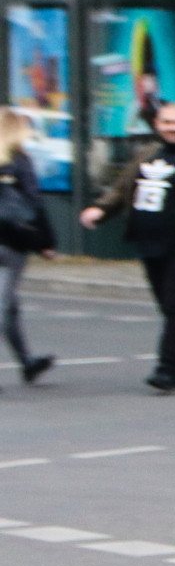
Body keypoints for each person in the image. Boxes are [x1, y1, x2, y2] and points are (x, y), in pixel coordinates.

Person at [79, 102, 175, 393]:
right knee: (173, 308)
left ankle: (168, 368)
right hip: (150, 243)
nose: (173, 128)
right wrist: (100, 210)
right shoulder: (146, 154)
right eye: (167, 122)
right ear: (157, 125)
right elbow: (123, 189)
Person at [0, 110, 59, 386]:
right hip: (12, 239)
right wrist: (46, 242)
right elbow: (34, 203)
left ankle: (26, 362)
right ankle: (27, 362)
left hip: (9, 239)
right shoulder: (20, 160)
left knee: (8, 305)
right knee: (4, 304)